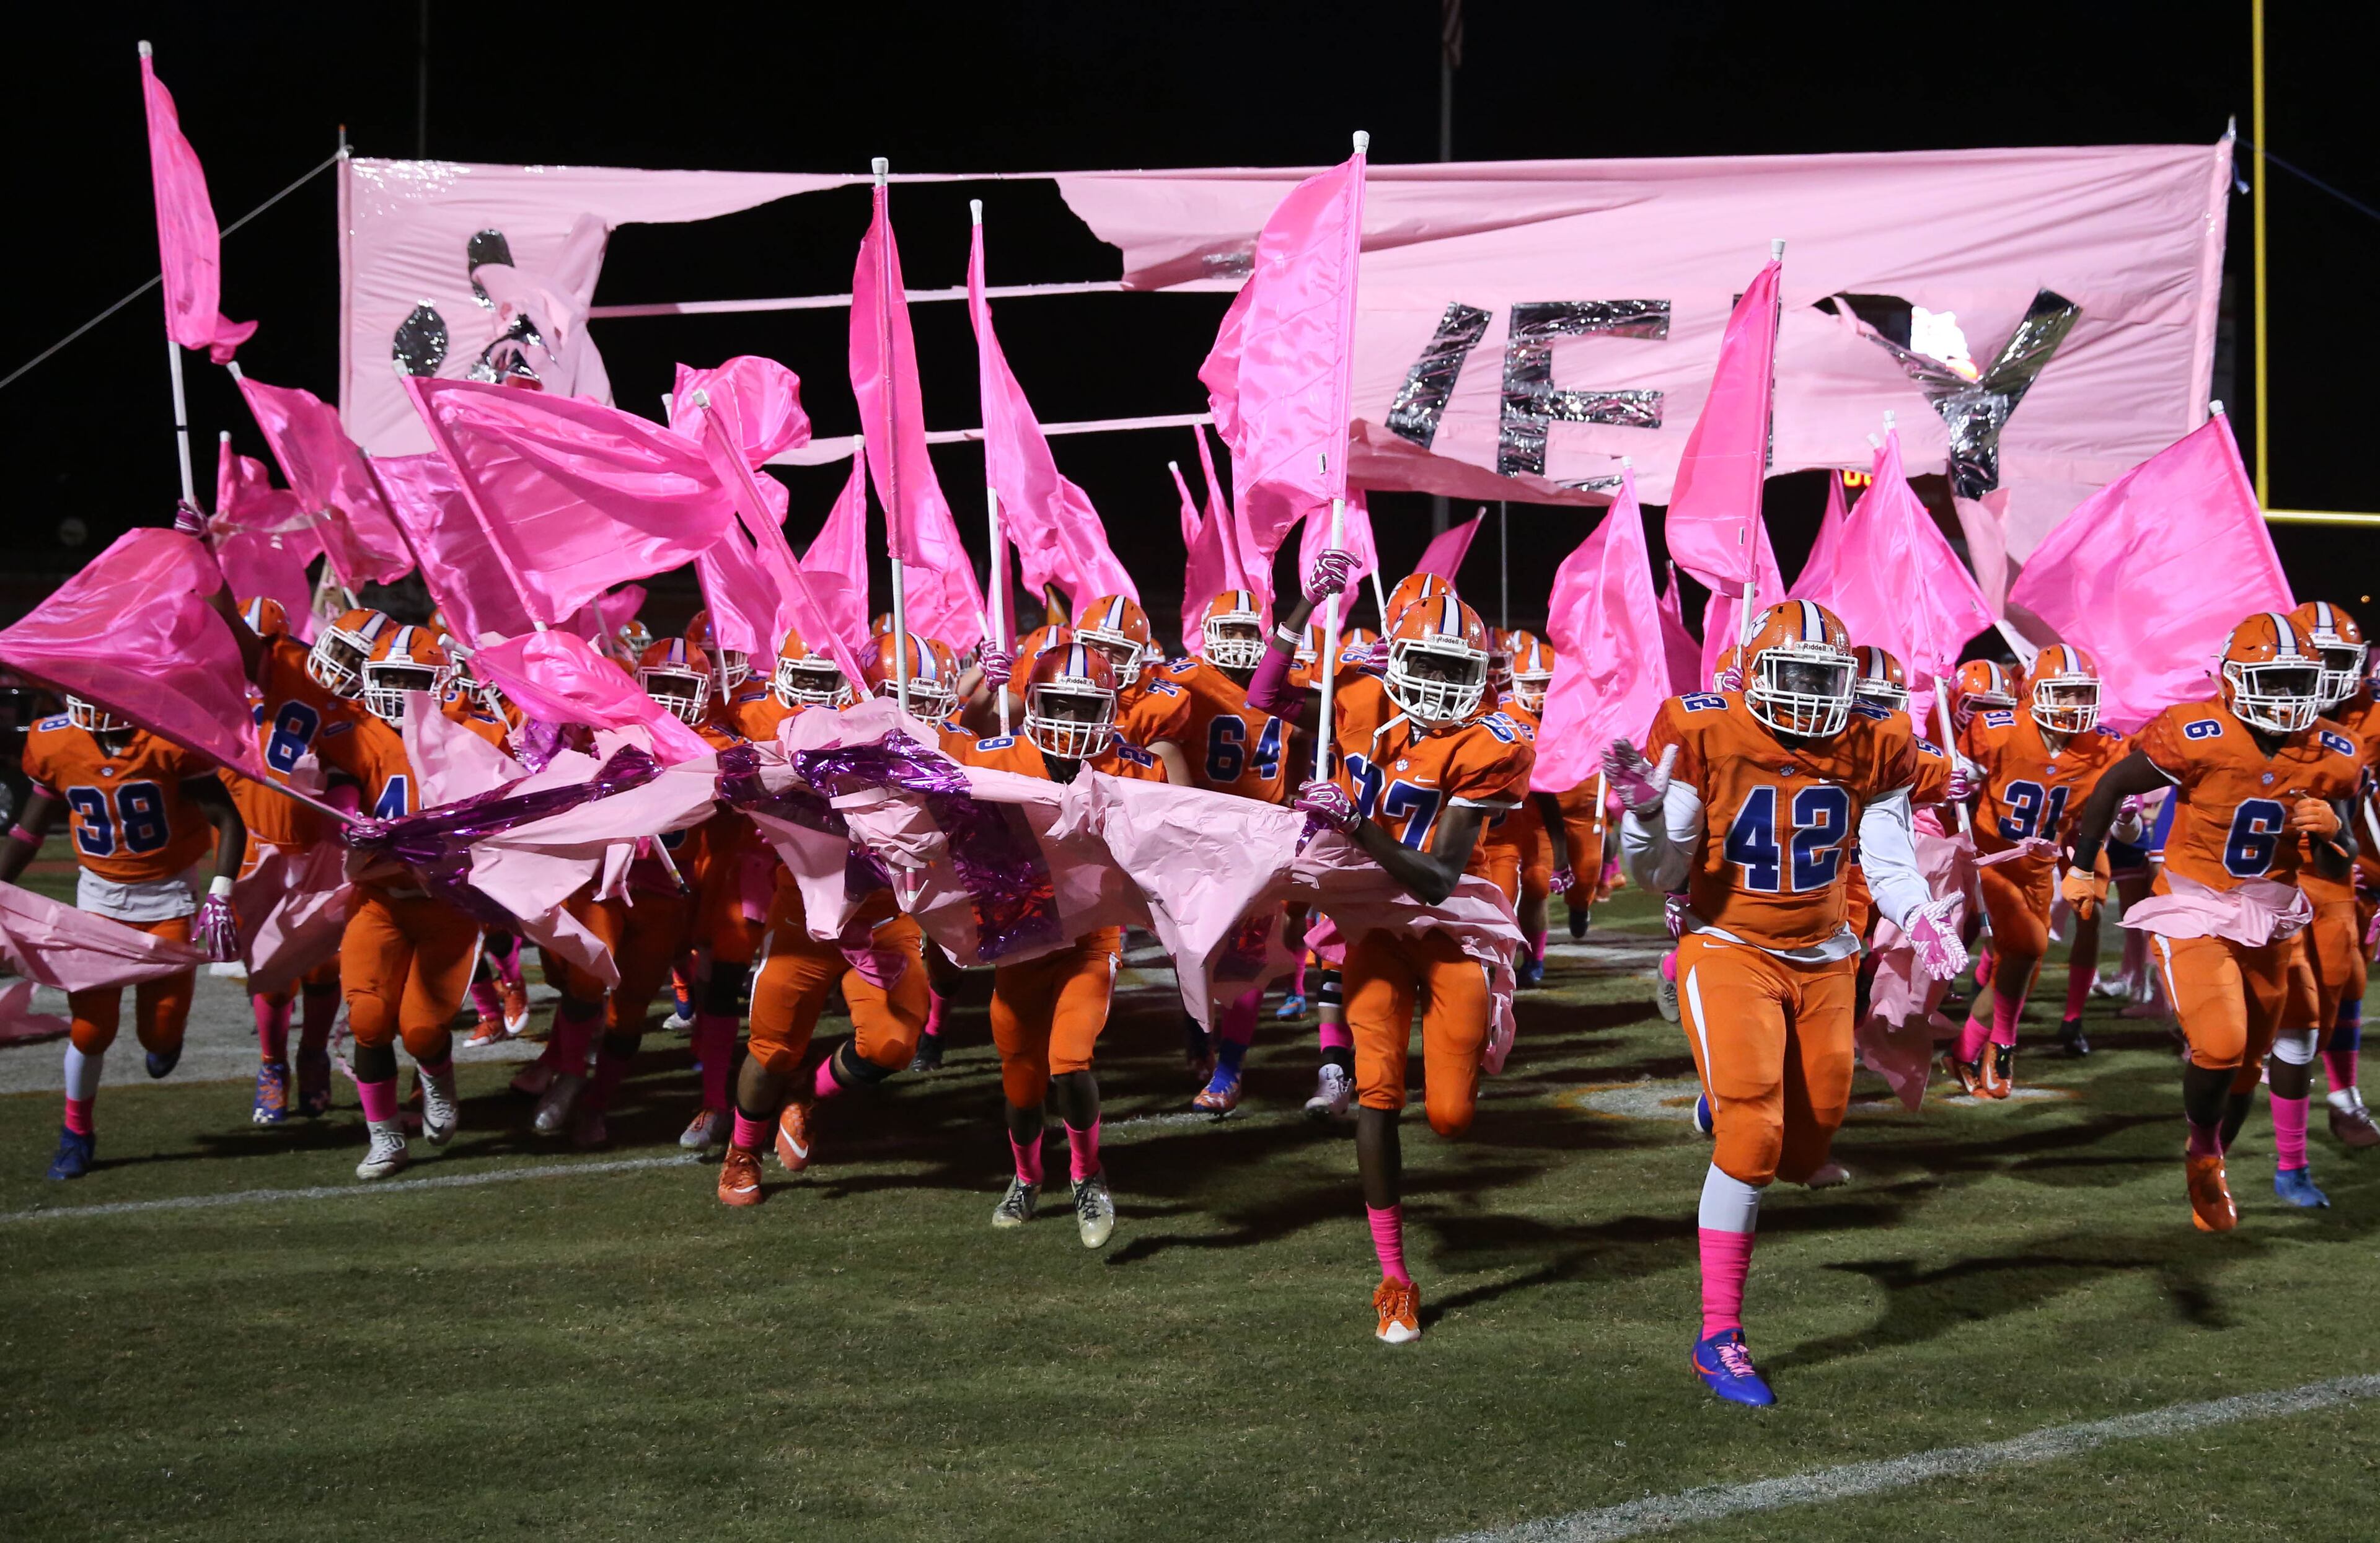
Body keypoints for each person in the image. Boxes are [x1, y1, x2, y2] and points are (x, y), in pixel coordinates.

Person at [1608, 600, 1967, 1405]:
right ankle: (1718, 1336)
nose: (1808, 695)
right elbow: (1660, 873)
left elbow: (1887, 856)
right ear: (1754, 673)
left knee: (1808, 1146)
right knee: (1755, 1133)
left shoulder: (1876, 742)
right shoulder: (1705, 730)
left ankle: (1723, 1107)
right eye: (1793, 674)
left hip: (1826, 955)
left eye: (1823, 678)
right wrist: (1638, 816)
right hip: (1727, 943)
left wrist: (1921, 920)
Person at [1285, 576, 1533, 1346]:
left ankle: (1493, 1003)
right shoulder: (1354, 703)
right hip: (1376, 933)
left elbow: (1435, 877)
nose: (1441, 685)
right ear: (1394, 658)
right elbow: (1268, 689)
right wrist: (1310, 601)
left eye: (1460, 670)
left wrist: (1355, 824)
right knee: (1377, 1094)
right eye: (1428, 664)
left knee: (1453, 1118)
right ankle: (1393, 1280)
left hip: (1448, 925)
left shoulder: (1493, 742)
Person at [2066, 612, 2361, 1228]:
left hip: (2271, 912)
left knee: (2250, 1063)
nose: (2284, 698)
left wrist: (2334, 833)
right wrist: (2082, 862)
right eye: (2271, 681)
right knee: (2220, 1045)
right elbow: (2113, 784)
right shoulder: (2198, 731)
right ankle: (2202, 1157)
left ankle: (2215, 1157)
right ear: (2231, 679)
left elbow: (2342, 860)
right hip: (2196, 902)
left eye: (2294, 681)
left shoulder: (2332, 752)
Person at [712, 626, 932, 1207]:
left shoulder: (922, 735)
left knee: (892, 1046)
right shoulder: (778, 724)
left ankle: (805, 1095)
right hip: (803, 910)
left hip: (884, 914)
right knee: (772, 1048)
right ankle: (743, 1150)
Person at [961, 635, 1165, 1246]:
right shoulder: (993, 754)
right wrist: (973, 690)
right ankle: (1026, 1176)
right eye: (1060, 704)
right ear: (1030, 700)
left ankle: (1086, 1173)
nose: (1073, 719)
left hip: (1089, 938)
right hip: (1019, 938)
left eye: (1086, 707)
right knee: (1021, 1086)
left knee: (1069, 1061)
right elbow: (921, 757)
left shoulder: (1131, 764)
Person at [1, 693, 247, 1179]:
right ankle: (76, 1133)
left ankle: (165, 1041)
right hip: (98, 903)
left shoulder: (167, 739)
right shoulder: (56, 743)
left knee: (158, 1032)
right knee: (91, 1030)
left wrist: (220, 894)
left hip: (168, 899)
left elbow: (228, 820)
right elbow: (29, 832)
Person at [310, 625, 480, 1180]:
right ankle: (384, 1136)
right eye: (391, 679)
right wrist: (348, 816)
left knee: (424, 1030)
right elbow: (344, 782)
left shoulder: (469, 731)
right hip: (379, 898)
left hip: (445, 903)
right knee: (367, 1017)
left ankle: (437, 1076)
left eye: (414, 680)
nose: (401, 692)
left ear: (441, 682)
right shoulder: (354, 731)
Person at [1948, 646, 2128, 1094]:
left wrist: (2128, 814)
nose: (2073, 705)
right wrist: (1955, 779)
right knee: (2026, 945)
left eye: (2081, 694)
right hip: (1990, 860)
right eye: (2062, 693)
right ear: (2034, 691)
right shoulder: (1998, 728)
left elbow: (2124, 830)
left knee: (2024, 960)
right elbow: (1954, 787)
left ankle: (1966, 1050)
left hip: (2038, 869)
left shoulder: (2103, 748)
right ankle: (2004, 1043)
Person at [1159, 590, 1297, 1113]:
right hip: (1196, 836)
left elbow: (1311, 736)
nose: (1240, 642)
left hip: (1261, 837)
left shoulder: (1284, 681)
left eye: (1247, 630)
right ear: (1208, 634)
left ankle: (1229, 1070)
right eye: (1231, 630)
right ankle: (1198, 1030)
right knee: (1191, 951)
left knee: (1248, 957)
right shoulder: (1181, 681)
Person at [2285, 602, 2380, 1148]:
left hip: (2344, 867)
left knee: (2346, 979)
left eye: (2339, 659)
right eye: (2316, 657)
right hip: (2265, 866)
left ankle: (2343, 1097)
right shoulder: (2261, 708)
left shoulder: (2372, 715)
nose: (2327, 671)